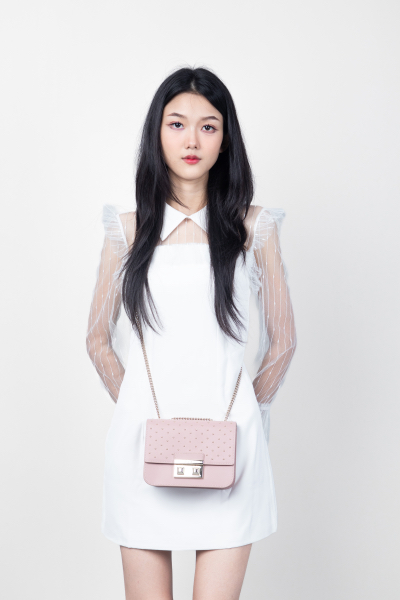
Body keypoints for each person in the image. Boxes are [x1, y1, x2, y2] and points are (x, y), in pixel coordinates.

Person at [86, 66, 297, 600]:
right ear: (157, 134)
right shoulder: (127, 231)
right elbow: (96, 339)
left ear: (225, 140)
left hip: (233, 448)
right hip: (141, 449)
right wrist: (135, 407)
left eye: (208, 126)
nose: (192, 140)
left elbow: (284, 341)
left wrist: (250, 414)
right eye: (177, 124)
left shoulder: (253, 228)